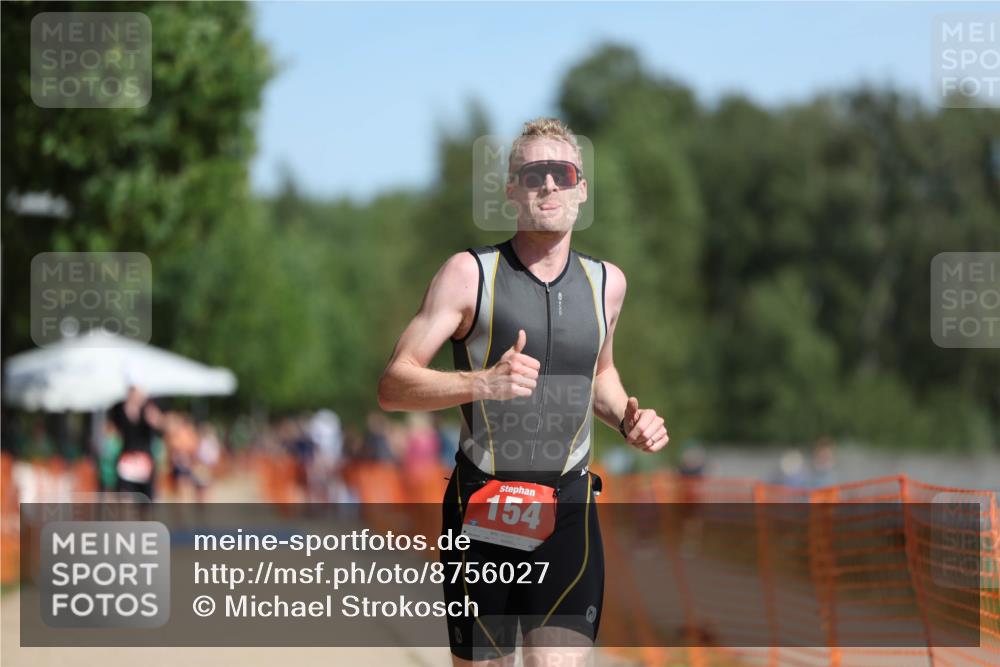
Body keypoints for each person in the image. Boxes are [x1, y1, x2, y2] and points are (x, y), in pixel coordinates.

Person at [378, 118, 669, 666]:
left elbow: (600, 376)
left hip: (569, 508)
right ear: (511, 190)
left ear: (582, 189)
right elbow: (395, 383)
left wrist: (628, 418)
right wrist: (481, 381)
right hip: (484, 504)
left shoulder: (609, 284)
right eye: (533, 174)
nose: (549, 186)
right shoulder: (469, 275)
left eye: (563, 173)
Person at [109, 380, 164, 501]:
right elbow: (113, 430)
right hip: (127, 457)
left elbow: (160, 423)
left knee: (145, 499)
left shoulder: (148, 409)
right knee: (125, 496)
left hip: (144, 459)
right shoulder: (119, 409)